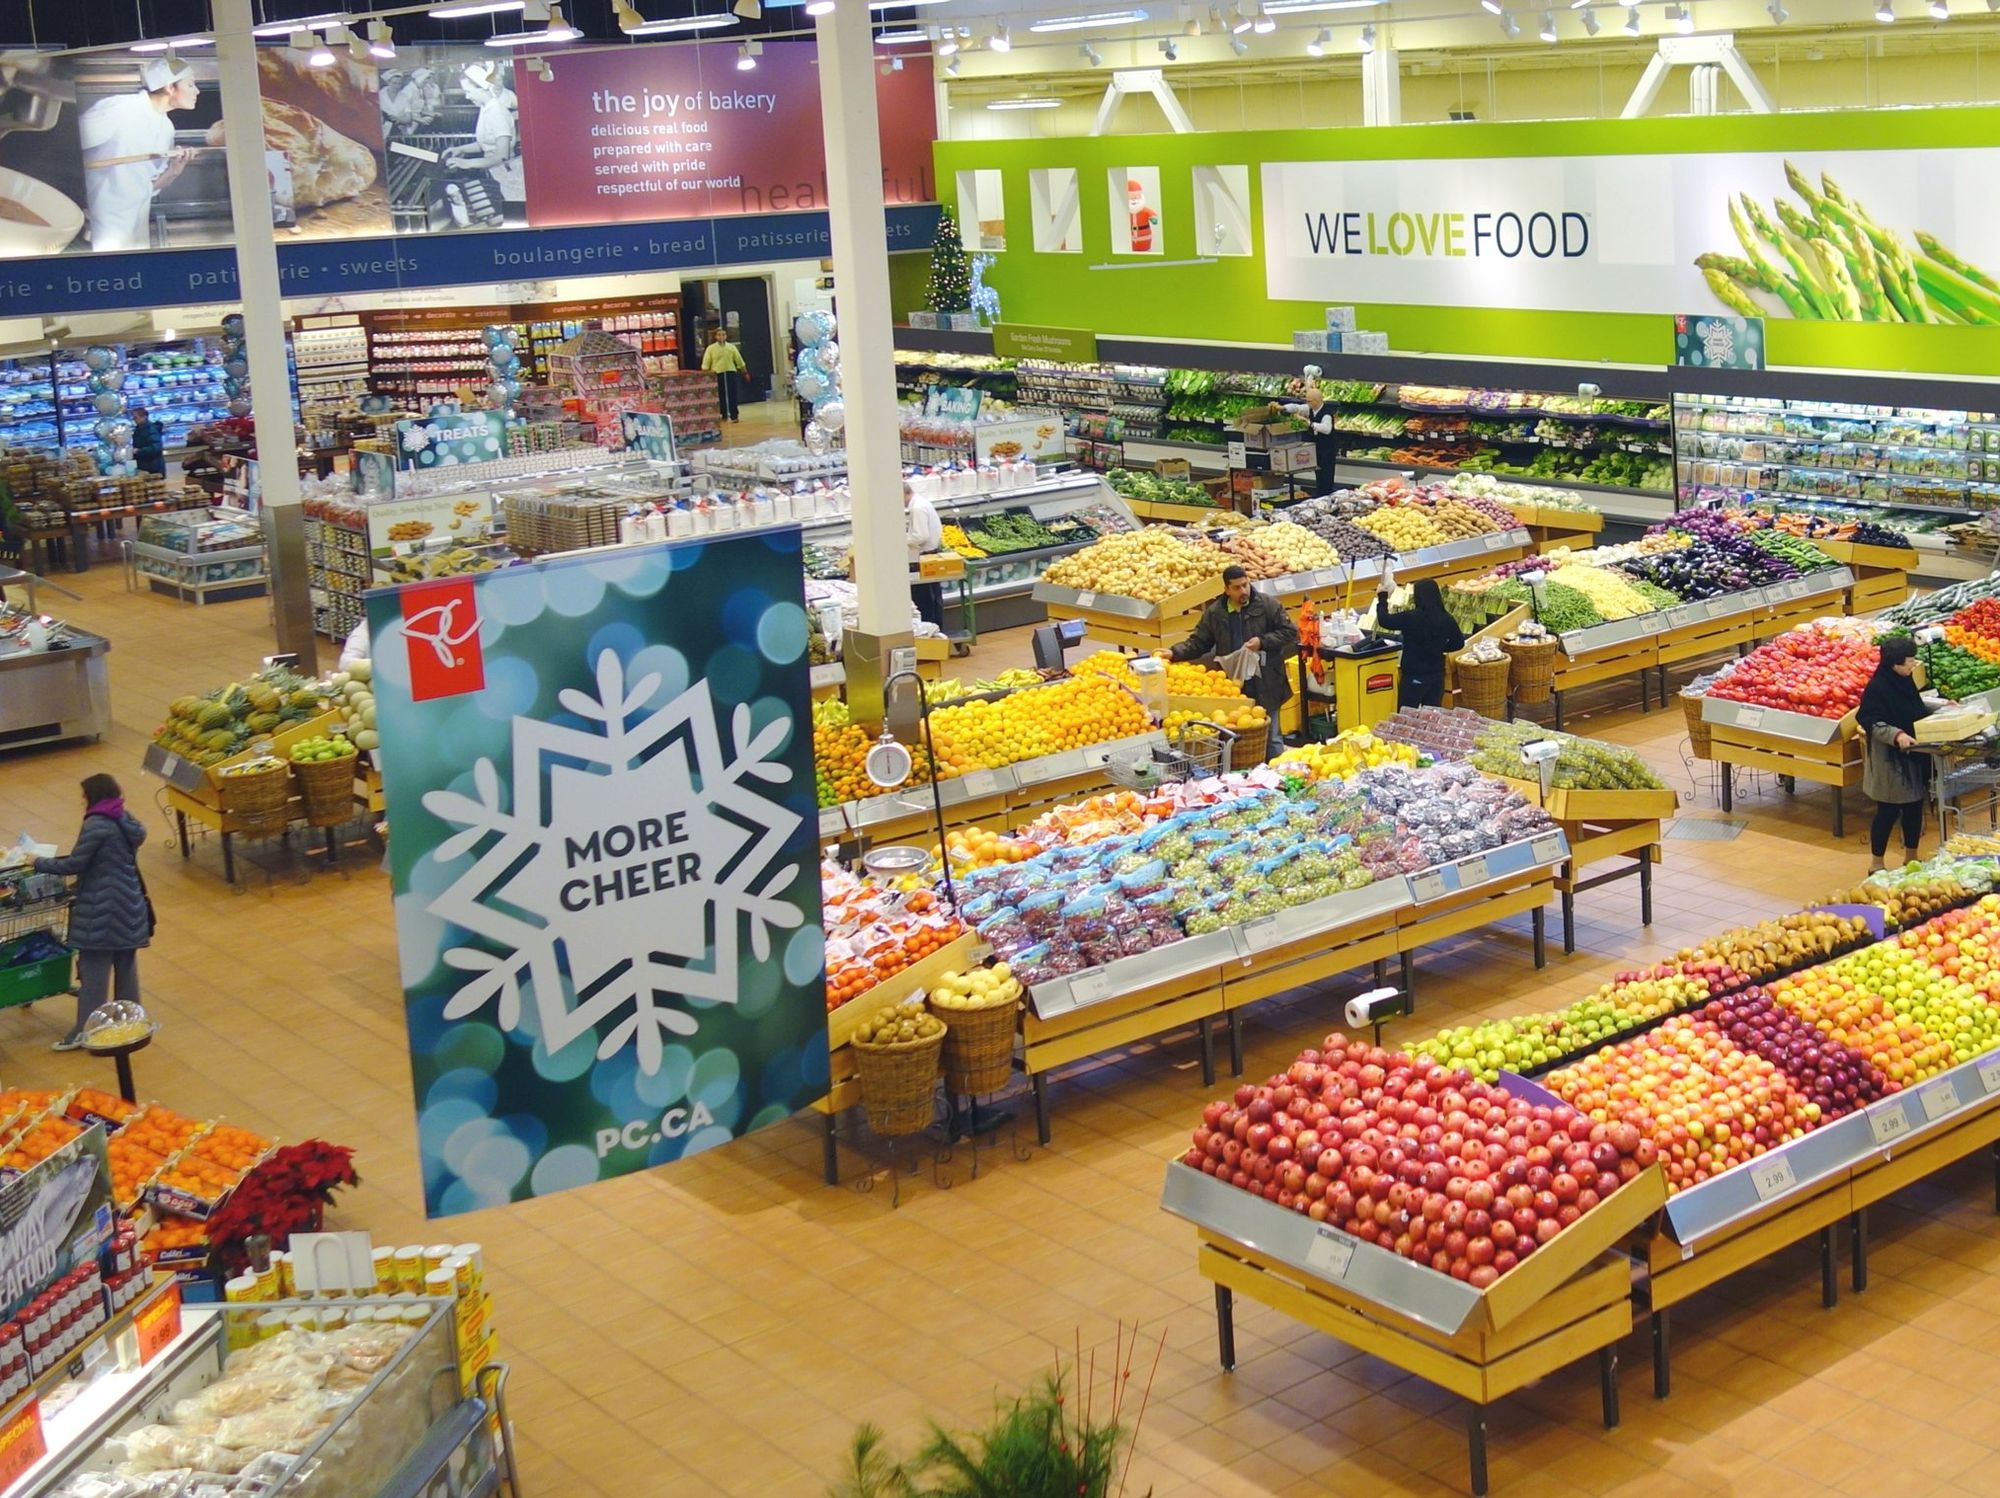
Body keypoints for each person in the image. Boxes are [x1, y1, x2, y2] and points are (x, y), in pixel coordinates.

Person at [33, 774, 151, 1052]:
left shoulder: (97, 823)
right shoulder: (125, 819)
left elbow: (75, 863)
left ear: (94, 796)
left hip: (101, 908)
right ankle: (130, 1025)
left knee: (93, 970)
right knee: (126, 966)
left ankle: (86, 1032)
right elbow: (106, 861)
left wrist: (36, 861)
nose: (82, 801)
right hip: (130, 903)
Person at [1170, 564, 1297, 760]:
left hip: (1267, 680)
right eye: (1237, 587)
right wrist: (1173, 653)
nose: (1243, 591)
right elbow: (1199, 642)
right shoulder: (1215, 613)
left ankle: (1279, 777)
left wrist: (1262, 642)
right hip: (1232, 686)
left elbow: (1289, 632)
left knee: (1272, 737)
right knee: (1234, 739)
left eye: (1245, 585)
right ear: (1226, 590)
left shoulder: (1267, 605)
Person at [78, 57, 198, 253]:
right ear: (170, 87)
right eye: (191, 84)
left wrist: (174, 170)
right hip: (104, 224)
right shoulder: (121, 108)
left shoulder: (166, 127)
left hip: (136, 225)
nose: (197, 91)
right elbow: (71, 145)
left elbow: (148, 186)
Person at [1858, 636, 1934, 872]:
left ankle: (1911, 858)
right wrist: (1897, 735)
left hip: (1913, 755)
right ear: (1895, 664)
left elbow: (1916, 707)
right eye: (1909, 660)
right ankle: (1876, 864)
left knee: (1914, 807)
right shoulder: (1877, 688)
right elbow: (1870, 721)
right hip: (1889, 762)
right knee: (1887, 812)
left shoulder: (1905, 680)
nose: (1913, 664)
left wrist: (1943, 707)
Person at [1373, 571, 1465, 709]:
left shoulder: (1411, 617)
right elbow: (1459, 643)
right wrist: (1438, 647)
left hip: (1414, 675)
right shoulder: (1447, 618)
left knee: (1407, 715)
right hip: (1436, 676)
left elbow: (1384, 620)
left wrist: (1382, 597)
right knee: (1432, 716)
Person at [446, 63, 525, 215]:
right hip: (496, 171)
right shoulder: (486, 108)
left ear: (482, 88)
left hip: (507, 176)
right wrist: (461, 149)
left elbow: (502, 156)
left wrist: (466, 163)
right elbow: (486, 144)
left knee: (513, 216)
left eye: (469, 91)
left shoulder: (496, 111)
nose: (467, 96)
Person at [904, 480, 945, 632]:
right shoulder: (922, 502)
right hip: (932, 554)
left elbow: (920, 536)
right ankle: (937, 629)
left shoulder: (917, 508)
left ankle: (929, 632)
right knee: (934, 597)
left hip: (924, 557)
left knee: (924, 599)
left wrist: (901, 542)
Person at [1284, 383, 1338, 488]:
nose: (1307, 403)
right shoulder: (1311, 409)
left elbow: (1327, 429)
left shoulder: (1326, 414)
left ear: (1317, 401)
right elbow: (1297, 408)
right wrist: (1283, 408)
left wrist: (1309, 423)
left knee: (1326, 475)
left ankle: (1326, 495)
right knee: (1318, 474)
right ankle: (1319, 494)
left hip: (1327, 450)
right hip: (1317, 448)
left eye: (1309, 401)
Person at [703, 327, 747, 423]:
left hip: (730, 372)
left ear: (726, 336)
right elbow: (706, 363)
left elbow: (739, 360)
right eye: (719, 335)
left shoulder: (731, 347)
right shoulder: (711, 349)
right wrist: (706, 375)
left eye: (723, 335)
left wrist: (744, 372)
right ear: (715, 337)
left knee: (732, 394)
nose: (721, 337)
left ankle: (734, 415)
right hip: (717, 374)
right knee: (720, 395)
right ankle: (723, 414)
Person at [130, 406, 165, 477]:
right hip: (147, 467)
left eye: (136, 417)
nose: (134, 420)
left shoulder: (151, 429)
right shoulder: (140, 429)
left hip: (153, 468)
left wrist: (138, 451)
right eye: (133, 418)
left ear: (144, 417)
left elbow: (156, 448)